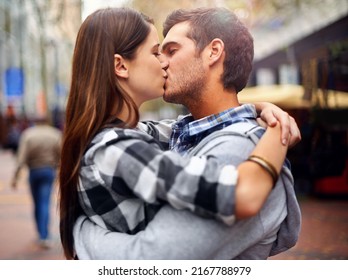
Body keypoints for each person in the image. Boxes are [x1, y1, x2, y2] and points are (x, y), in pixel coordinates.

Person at [61, 7, 300, 260]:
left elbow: (157, 260)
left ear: (214, 52)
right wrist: (269, 122)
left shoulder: (240, 147)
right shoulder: (132, 143)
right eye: (156, 52)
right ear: (120, 66)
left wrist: (81, 233)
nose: (162, 62)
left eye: (170, 51)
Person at [12, 117, 62, 248]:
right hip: (49, 171)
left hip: (34, 171)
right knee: (45, 202)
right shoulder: (55, 134)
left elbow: (21, 157)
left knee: (37, 203)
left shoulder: (28, 134)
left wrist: (15, 177)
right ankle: (45, 236)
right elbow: (62, 154)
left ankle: (41, 234)